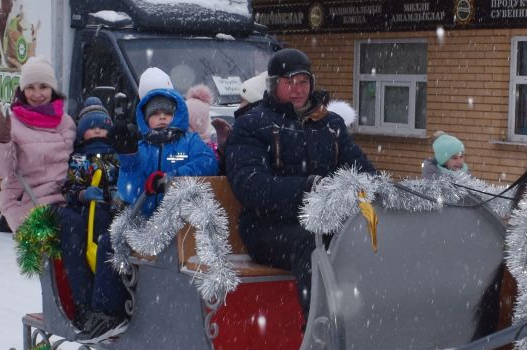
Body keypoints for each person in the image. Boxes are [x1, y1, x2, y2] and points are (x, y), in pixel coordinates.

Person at [222, 48, 375, 308]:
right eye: (288, 82)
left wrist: (377, 187)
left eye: (303, 82)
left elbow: (361, 169)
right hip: (266, 227)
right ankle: (319, 327)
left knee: (365, 235)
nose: (297, 89)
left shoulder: (330, 124)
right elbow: (250, 186)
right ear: (273, 86)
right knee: (312, 242)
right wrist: (307, 188)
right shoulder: (252, 125)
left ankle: (369, 319)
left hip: (325, 220)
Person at [58, 98, 127, 333]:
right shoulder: (79, 159)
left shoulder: (116, 156)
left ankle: (109, 301)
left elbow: (125, 183)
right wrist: (82, 194)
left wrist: (117, 197)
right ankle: (87, 306)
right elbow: (69, 188)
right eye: (91, 126)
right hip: (86, 214)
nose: (97, 130)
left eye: (102, 126)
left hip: (111, 212)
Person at [0, 57, 74, 231]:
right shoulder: (12, 124)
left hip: (64, 201)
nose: (37, 94)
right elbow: (0, 171)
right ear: (22, 90)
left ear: (52, 89)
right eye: (30, 88)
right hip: (27, 203)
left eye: (43, 87)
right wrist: (3, 140)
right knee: (71, 227)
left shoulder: (65, 122)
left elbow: (75, 163)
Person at [118, 69, 220, 219]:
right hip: (146, 224)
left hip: (184, 222)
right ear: (145, 119)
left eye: (167, 113)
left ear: (176, 114)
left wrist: (171, 179)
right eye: (155, 113)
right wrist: (129, 160)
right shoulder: (139, 149)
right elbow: (130, 193)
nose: (162, 117)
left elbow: (208, 164)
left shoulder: (190, 141)